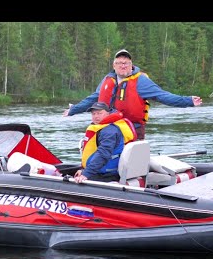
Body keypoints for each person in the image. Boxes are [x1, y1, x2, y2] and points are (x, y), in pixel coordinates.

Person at [63, 49, 202, 140]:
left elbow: (163, 96)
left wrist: (188, 101)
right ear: (114, 65)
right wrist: (73, 110)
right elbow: (92, 99)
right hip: (107, 129)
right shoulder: (107, 80)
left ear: (131, 65)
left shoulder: (140, 81)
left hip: (132, 130)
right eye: (119, 63)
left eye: (126, 63)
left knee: (131, 163)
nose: (123, 66)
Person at [74, 102, 136, 183]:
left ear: (108, 113)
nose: (96, 116)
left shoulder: (109, 131)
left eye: (100, 113)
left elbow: (103, 154)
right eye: (93, 114)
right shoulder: (103, 127)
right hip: (98, 170)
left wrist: (86, 174)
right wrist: (83, 169)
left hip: (106, 175)